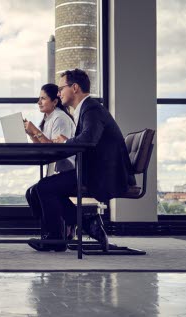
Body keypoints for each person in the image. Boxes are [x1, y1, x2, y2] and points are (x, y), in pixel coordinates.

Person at [27, 69, 136, 252]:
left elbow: (89, 139)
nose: (59, 92)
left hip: (102, 175)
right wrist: (66, 142)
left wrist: (66, 141)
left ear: (75, 88)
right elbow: (88, 139)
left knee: (44, 188)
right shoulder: (86, 109)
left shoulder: (91, 108)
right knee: (44, 188)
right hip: (94, 170)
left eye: (62, 88)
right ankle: (85, 222)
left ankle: (57, 238)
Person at [23, 83, 77, 240]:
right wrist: (32, 134)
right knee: (31, 193)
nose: (39, 102)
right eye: (39, 98)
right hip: (62, 172)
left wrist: (35, 131)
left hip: (72, 171)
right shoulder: (48, 119)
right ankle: (64, 225)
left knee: (42, 189)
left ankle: (56, 234)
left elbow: (56, 150)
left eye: (43, 98)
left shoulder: (60, 118)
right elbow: (42, 148)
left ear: (55, 101)